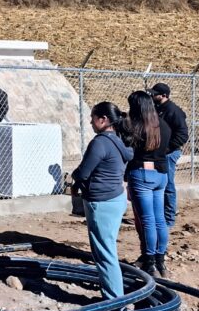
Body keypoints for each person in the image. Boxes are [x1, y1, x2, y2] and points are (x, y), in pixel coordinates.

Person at [71, 102, 133, 299]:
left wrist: (74, 176)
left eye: (93, 117)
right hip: (115, 198)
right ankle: (114, 294)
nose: (90, 121)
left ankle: (114, 301)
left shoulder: (100, 142)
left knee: (105, 255)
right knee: (108, 250)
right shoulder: (118, 140)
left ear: (103, 119)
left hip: (102, 203)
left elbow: (83, 172)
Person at [125, 90, 172, 277]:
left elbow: (128, 150)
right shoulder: (163, 126)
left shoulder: (136, 126)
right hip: (161, 174)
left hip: (142, 174)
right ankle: (160, 261)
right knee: (159, 219)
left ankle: (149, 261)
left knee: (147, 220)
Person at [149, 83, 188, 228]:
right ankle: (160, 215)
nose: (152, 96)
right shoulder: (158, 108)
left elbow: (183, 134)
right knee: (159, 184)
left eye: (155, 94)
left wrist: (166, 148)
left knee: (168, 185)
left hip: (168, 153)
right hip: (159, 153)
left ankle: (169, 219)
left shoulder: (173, 111)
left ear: (164, 95)